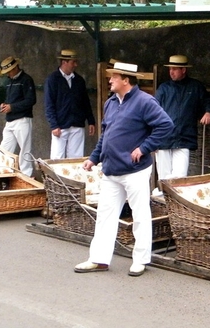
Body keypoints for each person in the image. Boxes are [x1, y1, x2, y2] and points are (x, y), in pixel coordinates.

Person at [74, 62, 173, 277]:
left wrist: (144, 148)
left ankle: (141, 260)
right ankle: (98, 259)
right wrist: (93, 158)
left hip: (135, 170)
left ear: (126, 80)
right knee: (105, 216)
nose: (110, 80)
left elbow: (166, 125)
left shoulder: (145, 101)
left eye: (114, 77)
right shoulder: (110, 103)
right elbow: (105, 136)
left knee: (140, 215)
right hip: (111, 170)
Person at [155, 54, 210, 180]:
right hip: (164, 138)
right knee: (163, 178)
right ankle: (162, 199)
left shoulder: (196, 87)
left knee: (180, 178)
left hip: (184, 137)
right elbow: (153, 110)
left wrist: (208, 112)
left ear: (183, 70)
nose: (171, 72)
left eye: (175, 69)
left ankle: (174, 200)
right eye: (170, 69)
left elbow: (207, 101)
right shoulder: (163, 88)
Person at [44, 49, 96, 159]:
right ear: (64, 62)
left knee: (76, 157)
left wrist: (91, 120)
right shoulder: (52, 79)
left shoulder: (79, 80)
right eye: (73, 62)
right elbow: (49, 104)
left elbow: (85, 102)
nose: (75, 65)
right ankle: (55, 177)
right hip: (60, 124)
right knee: (57, 157)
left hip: (77, 123)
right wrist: (54, 125)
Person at [0, 56, 37, 176]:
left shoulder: (26, 80)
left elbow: (31, 100)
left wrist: (12, 107)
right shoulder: (9, 82)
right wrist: (4, 105)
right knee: (4, 149)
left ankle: (27, 176)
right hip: (10, 120)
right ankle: (3, 173)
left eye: (8, 71)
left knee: (25, 150)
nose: (7, 74)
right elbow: (10, 100)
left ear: (15, 68)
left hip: (22, 119)